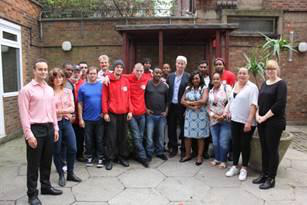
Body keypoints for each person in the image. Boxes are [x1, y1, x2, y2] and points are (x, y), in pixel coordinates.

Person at [18, 59, 62, 205]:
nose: (43, 72)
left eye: (45, 69)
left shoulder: (49, 89)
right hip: (35, 129)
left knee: (46, 161)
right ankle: (32, 194)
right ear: (34, 71)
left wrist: (55, 128)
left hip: (49, 128)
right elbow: (24, 115)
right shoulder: (26, 90)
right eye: (40, 69)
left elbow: (53, 111)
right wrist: (28, 134)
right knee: (33, 164)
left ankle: (46, 186)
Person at [253, 60, 287, 189]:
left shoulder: (281, 84)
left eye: (272, 69)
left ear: (277, 70)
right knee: (264, 149)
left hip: (274, 122)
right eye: (268, 69)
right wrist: (257, 115)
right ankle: (264, 174)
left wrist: (264, 117)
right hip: (262, 120)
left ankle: (271, 179)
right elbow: (259, 101)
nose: (270, 71)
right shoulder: (264, 83)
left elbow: (279, 104)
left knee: (272, 150)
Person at [48, 68, 82, 187]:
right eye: (56, 77)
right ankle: (61, 174)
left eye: (61, 77)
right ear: (52, 79)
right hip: (54, 124)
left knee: (73, 148)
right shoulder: (49, 92)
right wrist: (63, 112)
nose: (58, 79)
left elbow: (72, 108)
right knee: (57, 151)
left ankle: (71, 173)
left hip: (66, 123)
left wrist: (59, 111)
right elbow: (49, 111)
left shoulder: (68, 91)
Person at [225, 67, 258, 181]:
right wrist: (228, 111)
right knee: (235, 144)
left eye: (244, 73)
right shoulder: (235, 84)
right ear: (237, 75)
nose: (242, 75)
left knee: (245, 145)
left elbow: (254, 105)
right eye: (240, 73)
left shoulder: (252, 87)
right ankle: (235, 166)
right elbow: (231, 100)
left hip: (247, 122)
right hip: (235, 120)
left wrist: (249, 121)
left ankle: (244, 168)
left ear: (248, 75)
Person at [103, 59, 132, 170]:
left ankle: (122, 157)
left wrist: (130, 111)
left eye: (121, 67)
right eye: (117, 67)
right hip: (112, 113)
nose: (119, 69)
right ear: (114, 68)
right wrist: (105, 112)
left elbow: (128, 97)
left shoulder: (125, 81)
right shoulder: (108, 81)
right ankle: (109, 159)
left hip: (124, 113)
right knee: (111, 137)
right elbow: (104, 98)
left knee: (123, 137)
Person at [180, 71, 209, 165]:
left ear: (200, 79)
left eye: (197, 78)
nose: (195, 80)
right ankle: (188, 155)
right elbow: (182, 101)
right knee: (187, 135)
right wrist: (193, 105)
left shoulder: (204, 88)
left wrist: (188, 102)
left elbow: (204, 100)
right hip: (189, 114)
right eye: (193, 78)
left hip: (201, 115)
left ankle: (199, 157)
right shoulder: (188, 88)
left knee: (200, 136)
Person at [78, 66, 105, 168]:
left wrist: (104, 112)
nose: (92, 75)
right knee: (88, 139)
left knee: (99, 139)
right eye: (91, 73)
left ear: (97, 74)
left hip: (99, 118)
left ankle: (100, 158)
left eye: (94, 73)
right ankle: (89, 156)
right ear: (87, 74)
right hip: (87, 118)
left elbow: (106, 99)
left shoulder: (102, 86)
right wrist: (80, 118)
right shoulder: (83, 87)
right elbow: (80, 103)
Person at [127, 63, 150, 168]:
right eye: (137, 70)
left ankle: (136, 154)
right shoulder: (127, 78)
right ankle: (143, 157)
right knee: (136, 136)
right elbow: (114, 75)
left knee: (140, 136)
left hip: (142, 113)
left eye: (141, 71)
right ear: (133, 70)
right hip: (131, 114)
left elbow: (156, 78)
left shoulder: (146, 79)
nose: (139, 73)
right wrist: (107, 78)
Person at [167, 56, 190, 158]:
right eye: (178, 63)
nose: (180, 65)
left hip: (182, 107)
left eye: (182, 63)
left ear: (185, 65)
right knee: (171, 128)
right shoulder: (170, 76)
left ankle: (184, 150)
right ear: (175, 64)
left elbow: (190, 94)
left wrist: (188, 108)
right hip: (171, 106)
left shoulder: (188, 77)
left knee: (183, 128)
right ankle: (174, 148)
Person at [208, 72, 232, 169]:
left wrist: (223, 115)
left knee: (223, 141)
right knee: (215, 141)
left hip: (225, 119)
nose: (216, 80)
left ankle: (223, 160)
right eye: (214, 79)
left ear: (221, 80)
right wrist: (213, 115)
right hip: (213, 120)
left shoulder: (227, 88)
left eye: (217, 79)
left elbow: (231, 102)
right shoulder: (210, 91)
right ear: (212, 81)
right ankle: (217, 159)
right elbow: (208, 106)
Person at [145, 67, 169, 163]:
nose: (158, 75)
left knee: (160, 136)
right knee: (149, 136)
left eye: (160, 73)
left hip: (161, 116)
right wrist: (146, 109)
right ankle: (149, 153)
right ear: (153, 73)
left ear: (161, 74)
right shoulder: (148, 84)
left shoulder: (165, 86)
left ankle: (160, 152)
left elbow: (168, 101)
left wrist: (166, 111)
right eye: (156, 73)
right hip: (150, 115)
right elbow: (143, 97)